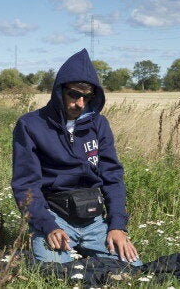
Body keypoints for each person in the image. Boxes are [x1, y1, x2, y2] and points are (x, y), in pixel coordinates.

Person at [11, 49, 141, 266]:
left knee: (132, 268)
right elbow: (26, 184)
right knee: (53, 272)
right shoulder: (31, 125)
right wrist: (48, 225)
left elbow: (112, 176)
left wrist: (117, 225)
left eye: (87, 96)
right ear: (59, 91)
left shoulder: (99, 124)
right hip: (55, 217)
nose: (80, 103)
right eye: (74, 94)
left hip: (94, 221)